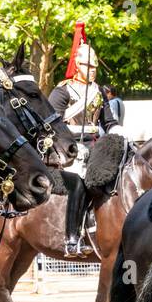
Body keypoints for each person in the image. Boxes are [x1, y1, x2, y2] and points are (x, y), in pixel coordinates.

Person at [49, 40, 120, 255]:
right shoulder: (63, 91)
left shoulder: (98, 91)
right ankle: (71, 238)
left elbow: (108, 122)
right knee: (79, 183)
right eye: (88, 67)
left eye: (95, 67)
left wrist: (118, 130)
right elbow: (52, 123)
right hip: (67, 148)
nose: (92, 71)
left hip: (94, 145)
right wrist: (70, 142)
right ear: (77, 65)